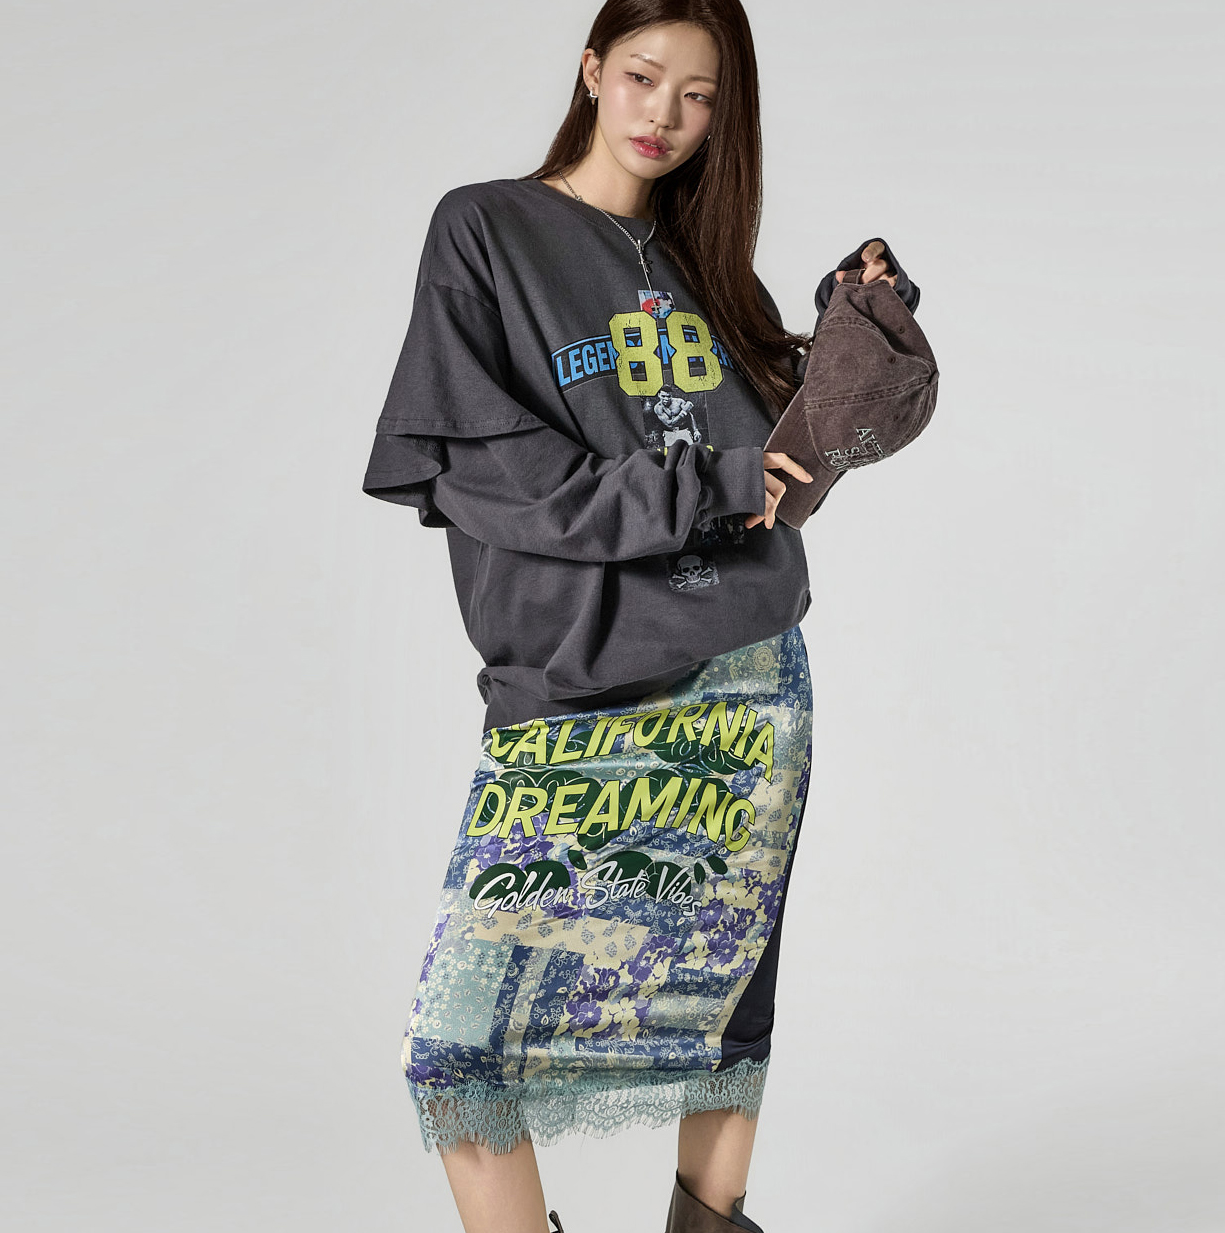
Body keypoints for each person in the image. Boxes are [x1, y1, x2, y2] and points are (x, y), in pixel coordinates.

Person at [360, 4, 919, 1232]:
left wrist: (850, 324)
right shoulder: (486, 230)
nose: (664, 113)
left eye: (699, 95)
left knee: (724, 1012)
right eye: (641, 76)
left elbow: (788, 480)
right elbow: (504, 482)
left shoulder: (708, 273)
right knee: (457, 1059)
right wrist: (710, 481)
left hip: (744, 681)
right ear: (591, 70)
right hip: (572, 683)